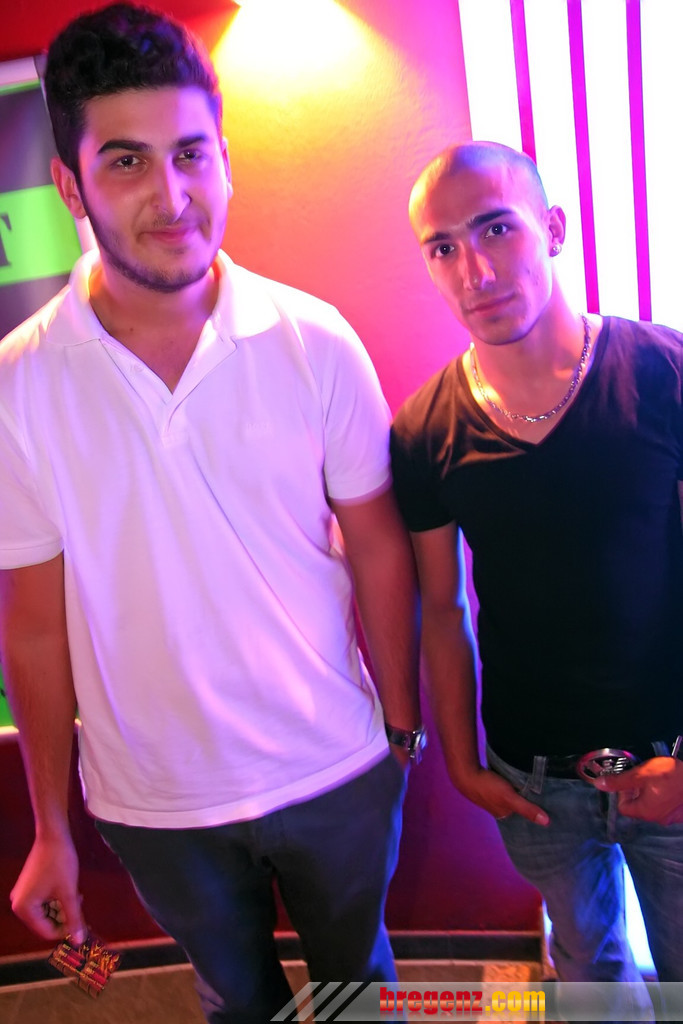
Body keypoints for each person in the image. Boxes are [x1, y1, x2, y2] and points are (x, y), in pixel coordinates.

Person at [0, 5, 422, 1022]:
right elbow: (35, 625)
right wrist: (50, 827)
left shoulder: (314, 339)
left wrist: (400, 725)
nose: (173, 194)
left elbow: (376, 544)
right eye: (127, 162)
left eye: (192, 153)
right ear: (70, 186)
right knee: (237, 1002)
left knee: (355, 990)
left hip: (333, 767)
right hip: (155, 802)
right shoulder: (18, 384)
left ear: (225, 161)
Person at [390, 140, 683, 991]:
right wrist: (461, 763)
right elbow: (442, 609)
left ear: (551, 229)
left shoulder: (660, 370)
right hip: (535, 782)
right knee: (588, 970)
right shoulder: (424, 431)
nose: (474, 271)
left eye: (495, 229)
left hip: (669, 757)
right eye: (442, 248)